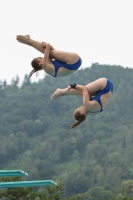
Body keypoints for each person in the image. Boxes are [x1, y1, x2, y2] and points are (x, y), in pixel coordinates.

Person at [16, 35, 82, 78]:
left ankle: (29, 42)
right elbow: (48, 47)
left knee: (51, 53)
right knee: (50, 53)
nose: (42, 57)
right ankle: (28, 40)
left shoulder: (48, 66)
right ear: (39, 63)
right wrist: (44, 44)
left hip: (74, 64)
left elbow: (53, 51)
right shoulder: (45, 65)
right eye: (40, 58)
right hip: (73, 61)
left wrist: (46, 45)